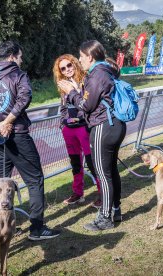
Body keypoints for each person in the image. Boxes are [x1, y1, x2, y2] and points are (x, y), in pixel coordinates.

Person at [0, 41, 60, 241]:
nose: (21, 60)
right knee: (34, 179)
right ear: (12, 56)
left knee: (0, 185)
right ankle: (37, 228)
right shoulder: (19, 75)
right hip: (17, 135)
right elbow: (24, 98)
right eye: (20, 57)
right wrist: (6, 122)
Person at [58, 40, 126, 231]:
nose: (79, 61)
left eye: (80, 57)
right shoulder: (106, 71)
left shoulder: (97, 75)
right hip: (114, 125)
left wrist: (71, 93)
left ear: (90, 56)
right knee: (111, 171)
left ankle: (105, 217)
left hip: (103, 126)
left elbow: (86, 106)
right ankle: (115, 209)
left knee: (103, 175)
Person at [52, 54, 102, 207]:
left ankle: (103, 193)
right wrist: (63, 123)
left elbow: (88, 105)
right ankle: (78, 193)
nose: (67, 69)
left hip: (84, 128)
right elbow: (63, 107)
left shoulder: (86, 80)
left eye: (69, 65)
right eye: (63, 68)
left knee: (92, 162)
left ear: (75, 64)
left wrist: (80, 118)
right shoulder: (63, 86)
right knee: (75, 163)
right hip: (69, 130)